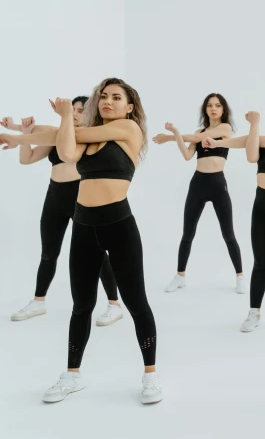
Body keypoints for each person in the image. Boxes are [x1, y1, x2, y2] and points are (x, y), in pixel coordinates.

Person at [1, 78, 163, 404]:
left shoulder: (130, 131)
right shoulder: (85, 139)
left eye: (116, 97)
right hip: (84, 226)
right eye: (103, 96)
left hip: (119, 224)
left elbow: (76, 133)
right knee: (81, 306)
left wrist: (23, 133)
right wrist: (24, 134)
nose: (108, 101)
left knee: (137, 304)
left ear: (130, 106)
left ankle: (150, 375)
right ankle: (72, 375)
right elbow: (64, 149)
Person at [2, 101, 122, 326]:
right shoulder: (57, 135)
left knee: (97, 252)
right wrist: (24, 130)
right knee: (48, 252)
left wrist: (19, 129)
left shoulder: (90, 137)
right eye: (73, 110)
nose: (75, 114)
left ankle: (114, 304)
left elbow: (49, 132)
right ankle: (38, 301)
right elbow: (25, 159)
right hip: (55, 197)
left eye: (80, 111)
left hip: (82, 197)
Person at [203, 96, 265, 334]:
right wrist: (218, 142)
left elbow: (254, 142)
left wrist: (253, 125)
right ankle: (254, 312)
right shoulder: (259, 138)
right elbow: (252, 155)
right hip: (262, 206)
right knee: (261, 262)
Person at [152, 94, 244, 294]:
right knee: (188, 233)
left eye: (217, 105)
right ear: (205, 109)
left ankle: (240, 276)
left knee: (228, 234)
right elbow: (187, 155)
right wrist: (175, 136)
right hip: (198, 184)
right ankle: (180, 276)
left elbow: (195, 139)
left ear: (223, 109)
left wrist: (170, 136)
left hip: (218, 184)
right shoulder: (198, 131)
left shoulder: (225, 128)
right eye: (210, 105)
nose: (213, 108)